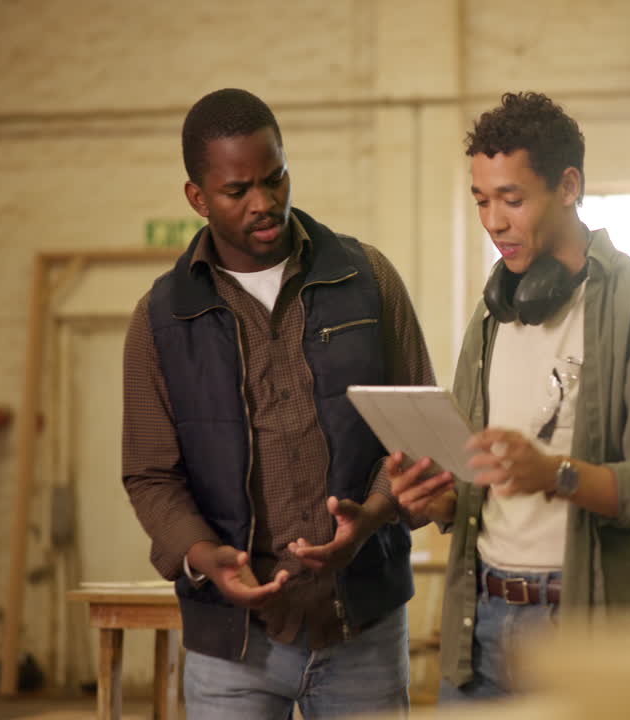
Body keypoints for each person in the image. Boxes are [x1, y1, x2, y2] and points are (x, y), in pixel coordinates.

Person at [122, 87, 433, 718]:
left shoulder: (367, 278)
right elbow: (151, 474)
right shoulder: (160, 319)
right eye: (238, 191)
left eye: (276, 179)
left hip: (362, 627)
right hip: (230, 647)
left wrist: (371, 516)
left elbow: (416, 431)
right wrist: (205, 555)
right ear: (197, 197)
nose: (264, 204)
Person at [389, 91, 630, 701]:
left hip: (585, 628)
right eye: (481, 200)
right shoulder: (493, 313)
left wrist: (553, 473)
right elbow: (479, 484)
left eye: (512, 199)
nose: (494, 221)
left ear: (569, 185)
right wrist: (439, 500)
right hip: (482, 619)